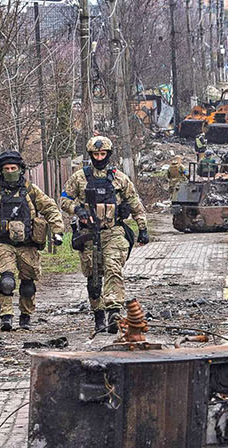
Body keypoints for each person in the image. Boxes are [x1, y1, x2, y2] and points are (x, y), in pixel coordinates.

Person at [59, 136, 151, 334]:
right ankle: (98, 315)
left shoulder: (119, 178)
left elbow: (135, 202)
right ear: (90, 155)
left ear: (108, 155)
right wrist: (77, 210)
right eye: (95, 154)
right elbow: (64, 199)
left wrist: (142, 228)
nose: (99, 158)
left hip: (114, 232)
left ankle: (113, 312)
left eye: (103, 154)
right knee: (94, 278)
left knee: (113, 268)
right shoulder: (79, 178)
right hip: (88, 234)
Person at [0, 150, 64, 332]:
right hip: (5, 244)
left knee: (28, 286)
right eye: (6, 168)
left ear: (20, 169)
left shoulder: (31, 190)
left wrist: (57, 231)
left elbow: (50, 208)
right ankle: (6, 317)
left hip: (28, 245)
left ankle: (25, 316)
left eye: (13, 168)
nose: (10, 171)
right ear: (1, 170)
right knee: (6, 281)